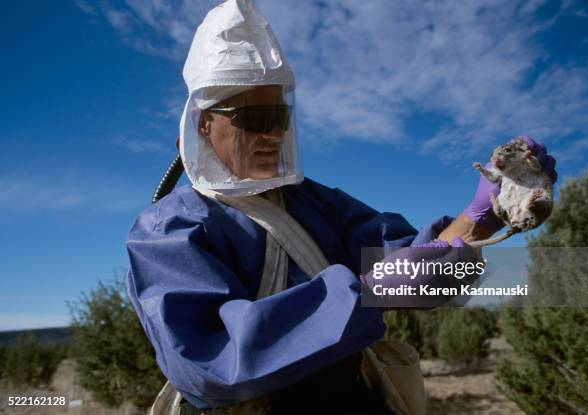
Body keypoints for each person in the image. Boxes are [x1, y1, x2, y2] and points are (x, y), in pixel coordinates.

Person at [126, 1, 558, 414]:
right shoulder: (168, 228)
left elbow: (412, 267)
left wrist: (484, 213)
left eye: (280, 117)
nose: (273, 134)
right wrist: (364, 293)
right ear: (204, 124)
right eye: (254, 119)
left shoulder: (314, 200)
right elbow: (206, 364)